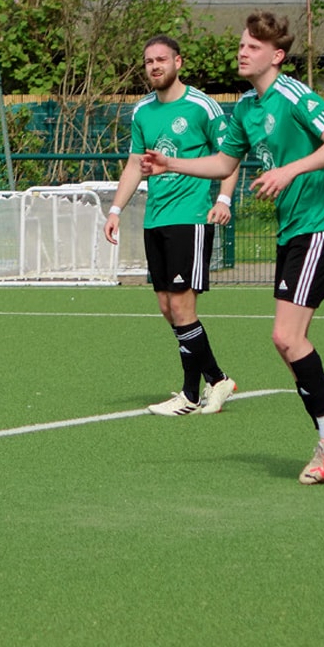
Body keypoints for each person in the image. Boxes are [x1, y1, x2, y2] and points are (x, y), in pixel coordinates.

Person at [143, 12, 324, 484]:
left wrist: (290, 169)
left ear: (276, 56)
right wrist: (169, 163)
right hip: (293, 234)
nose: (243, 52)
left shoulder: (295, 95)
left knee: (286, 338)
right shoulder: (245, 108)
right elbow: (223, 162)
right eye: (241, 45)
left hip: (322, 228)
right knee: (286, 342)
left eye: (253, 47)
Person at [104, 35, 240, 417]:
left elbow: (229, 156)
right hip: (156, 218)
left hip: (191, 217)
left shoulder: (201, 106)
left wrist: (224, 199)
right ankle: (217, 379)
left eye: (161, 59)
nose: (154, 66)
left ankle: (190, 394)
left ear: (178, 62)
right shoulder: (143, 111)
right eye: (148, 61)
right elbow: (134, 164)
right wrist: (115, 209)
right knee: (167, 307)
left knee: (182, 306)